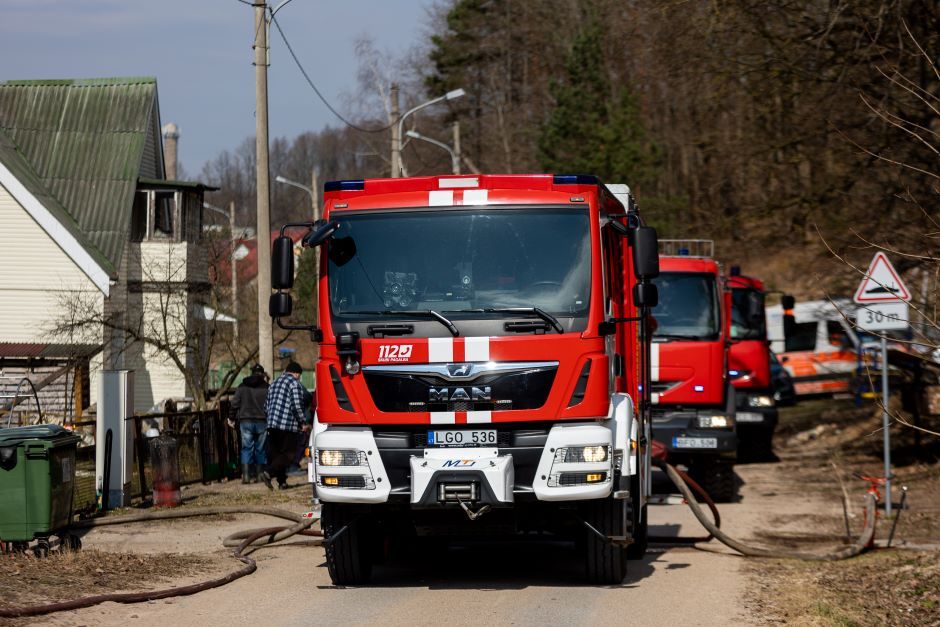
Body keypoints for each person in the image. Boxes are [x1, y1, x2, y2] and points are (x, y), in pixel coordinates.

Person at [262, 361, 310, 490]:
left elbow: (266, 407)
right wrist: (302, 422)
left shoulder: (273, 384)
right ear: (295, 373)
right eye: (299, 375)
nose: (299, 377)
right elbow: (296, 406)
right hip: (287, 426)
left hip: (272, 425)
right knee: (289, 455)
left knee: (277, 455)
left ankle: (282, 482)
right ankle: (269, 473)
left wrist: (270, 420)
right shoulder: (294, 384)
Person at [231, 364, 269, 484]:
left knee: (246, 448)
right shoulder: (267, 387)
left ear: (251, 372)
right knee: (260, 449)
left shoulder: (242, 387)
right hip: (262, 421)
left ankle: (246, 477)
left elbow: (234, 404)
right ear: (262, 374)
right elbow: (271, 405)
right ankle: (259, 476)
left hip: (245, 421)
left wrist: (231, 418)